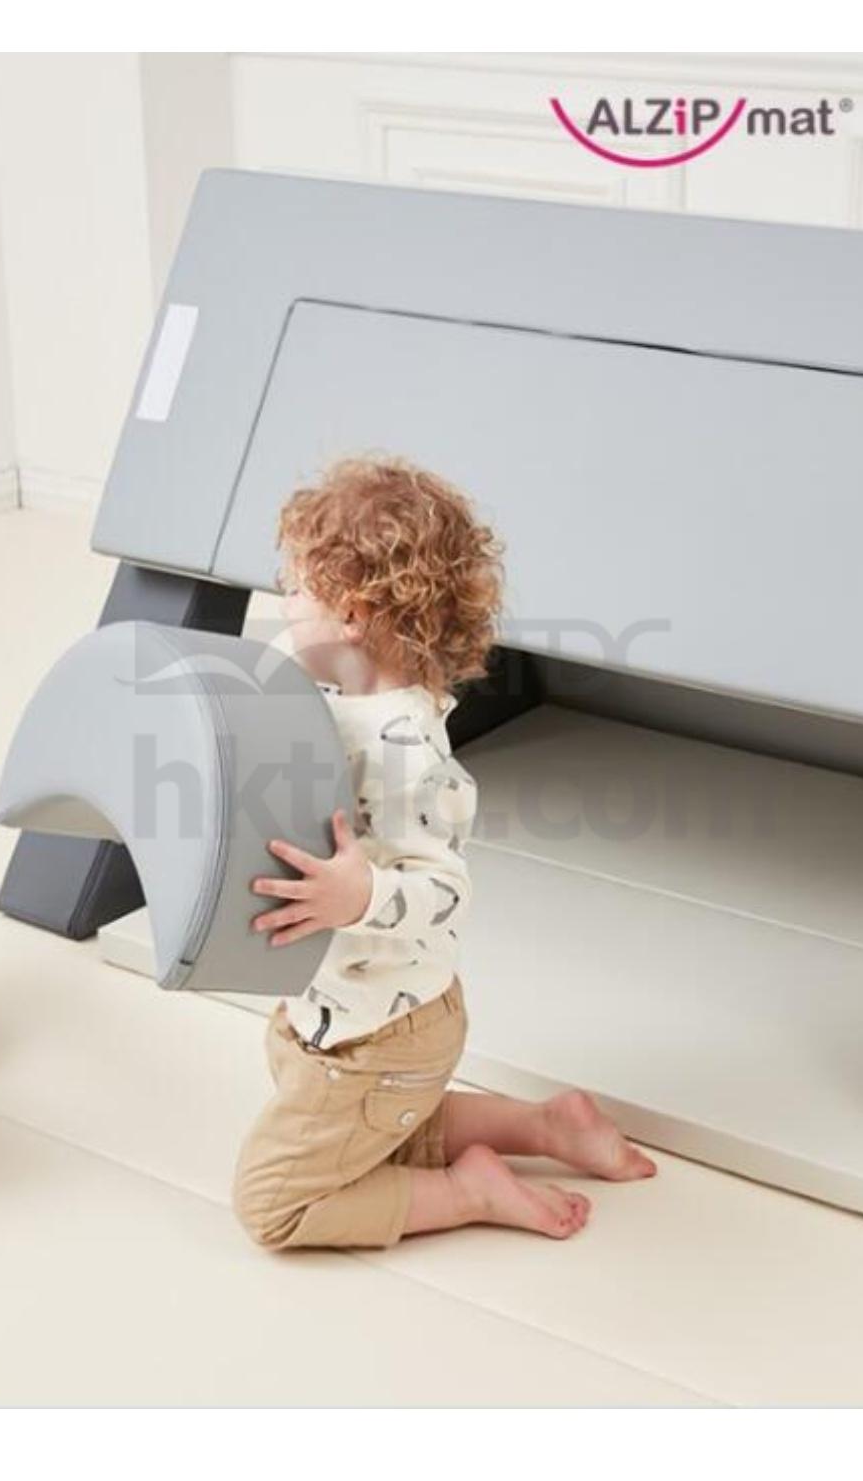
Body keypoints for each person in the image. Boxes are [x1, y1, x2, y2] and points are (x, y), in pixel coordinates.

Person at [232, 456, 655, 1249]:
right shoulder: (336, 693)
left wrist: (361, 896)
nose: (282, 604)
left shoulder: (406, 751)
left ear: (351, 612)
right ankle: (546, 1126)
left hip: (381, 1033)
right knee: (347, 1096)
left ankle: (466, 1192)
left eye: (294, 588)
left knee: (271, 1206)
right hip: (356, 1015)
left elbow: (445, 890)